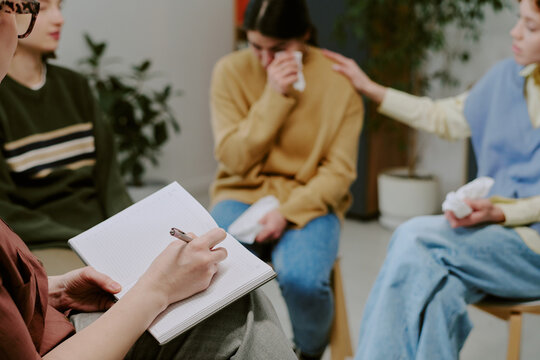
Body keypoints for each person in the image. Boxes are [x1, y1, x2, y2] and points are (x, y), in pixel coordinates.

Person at [0, 1, 298, 359]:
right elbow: (235, 156)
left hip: (52, 310)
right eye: (26, 8)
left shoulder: (74, 87)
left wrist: (53, 290)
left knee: (232, 294)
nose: (27, 23)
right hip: (58, 314)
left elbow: (108, 175)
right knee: (234, 306)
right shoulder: (232, 72)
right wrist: (156, 289)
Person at [323, 0, 540, 358]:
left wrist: (503, 213)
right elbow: (443, 117)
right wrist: (374, 89)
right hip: (495, 239)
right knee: (440, 292)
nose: (515, 32)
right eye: (519, 20)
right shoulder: (506, 78)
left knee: (413, 236)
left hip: (531, 250)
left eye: (531, 27)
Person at [209, 0, 364, 358]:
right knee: (212, 270)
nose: (265, 61)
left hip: (310, 199)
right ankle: (225, 350)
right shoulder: (230, 71)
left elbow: (339, 173)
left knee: (303, 280)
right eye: (255, 47)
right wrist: (274, 96)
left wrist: (287, 212)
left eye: (278, 49)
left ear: (304, 36)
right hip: (241, 191)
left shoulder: (338, 83)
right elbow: (233, 157)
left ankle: (306, 352)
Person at [0, 0, 132, 250]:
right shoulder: (3, 100)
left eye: (60, 7)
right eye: (43, 7)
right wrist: (82, 240)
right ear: (5, 14)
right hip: (43, 245)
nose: (59, 19)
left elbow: (111, 183)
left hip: (102, 236)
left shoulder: (76, 87)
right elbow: (5, 211)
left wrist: (126, 231)